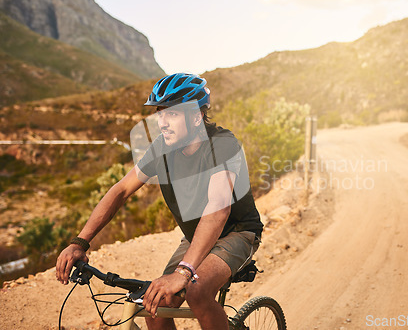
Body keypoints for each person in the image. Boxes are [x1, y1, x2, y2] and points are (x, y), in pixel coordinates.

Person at [55, 73, 263, 330]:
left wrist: (183, 272)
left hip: (237, 232)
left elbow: (218, 210)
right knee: (153, 305)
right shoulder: (162, 148)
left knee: (196, 293)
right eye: (160, 113)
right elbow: (121, 190)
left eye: (172, 114)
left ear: (196, 116)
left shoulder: (222, 145)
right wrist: (80, 241)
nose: (162, 122)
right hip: (196, 234)